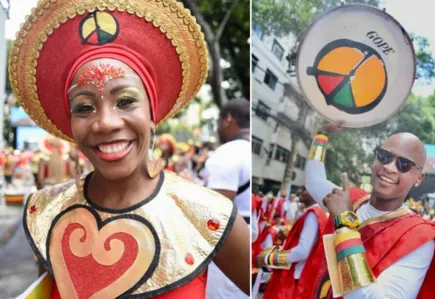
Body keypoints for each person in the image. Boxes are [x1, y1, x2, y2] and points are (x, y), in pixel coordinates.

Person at [13, 1, 249, 298]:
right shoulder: (47, 212)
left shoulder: (206, 214)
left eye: (125, 101)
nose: (106, 123)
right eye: (84, 107)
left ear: (153, 114)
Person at [306, 121, 435, 298]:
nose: (389, 167)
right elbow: (314, 180)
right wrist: (321, 135)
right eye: (384, 156)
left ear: (419, 178)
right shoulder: (351, 198)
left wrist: (344, 225)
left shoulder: (418, 237)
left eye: (404, 165)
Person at [204, 99, 250, 299]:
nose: (217, 129)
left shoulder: (228, 153)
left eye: (217, 122)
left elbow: (215, 217)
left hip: (228, 252)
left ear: (228, 119)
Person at [255, 186, 327, 299]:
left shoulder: (313, 213)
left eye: (305, 189)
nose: (300, 192)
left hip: (294, 277)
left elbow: (302, 251)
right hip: (299, 274)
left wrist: (269, 259)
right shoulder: (317, 212)